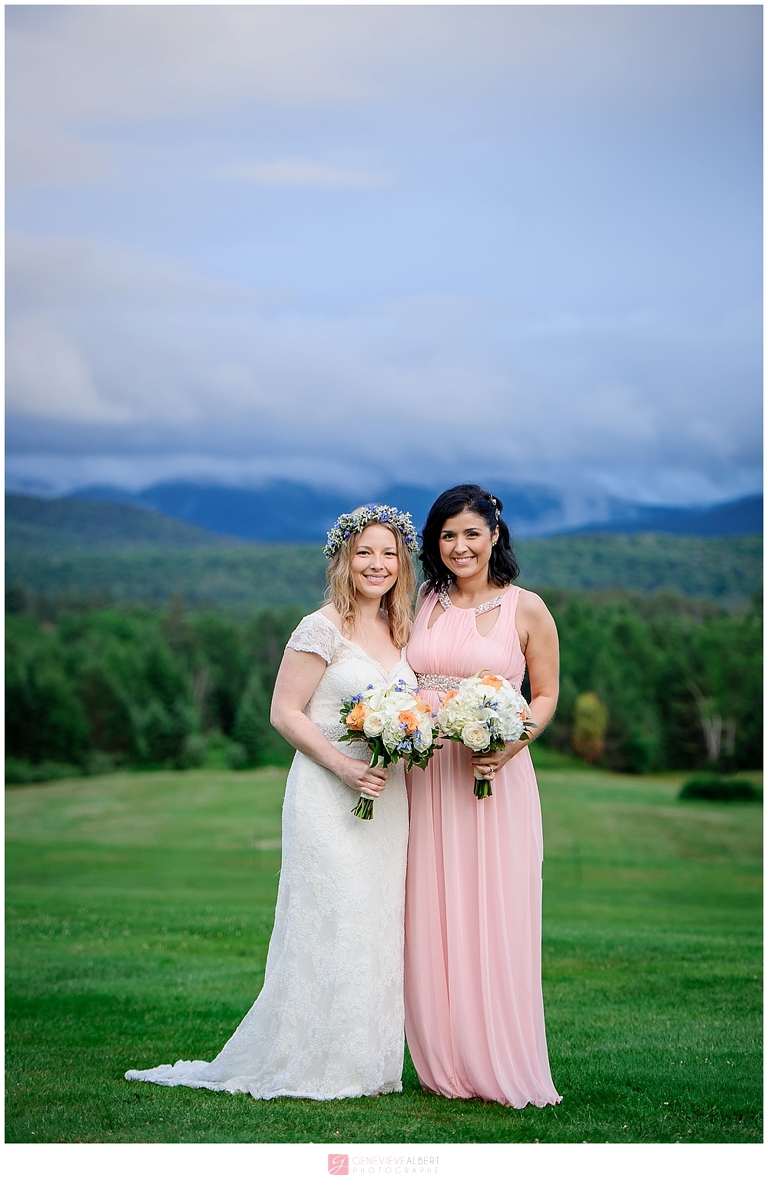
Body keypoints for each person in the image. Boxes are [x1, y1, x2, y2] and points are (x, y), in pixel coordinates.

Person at [126, 503, 418, 1100]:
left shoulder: (402, 631)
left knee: (374, 921)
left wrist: (409, 745)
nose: (377, 564)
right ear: (343, 558)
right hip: (327, 792)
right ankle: (310, 1061)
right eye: (364, 551)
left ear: (402, 562)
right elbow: (283, 712)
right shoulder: (319, 628)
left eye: (388, 553)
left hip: (388, 801)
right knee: (330, 916)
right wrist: (344, 767)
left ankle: (367, 1064)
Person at [404, 483, 561, 1108]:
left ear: (495, 536)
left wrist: (512, 743)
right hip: (427, 774)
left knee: (491, 909)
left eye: (471, 533)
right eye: (447, 535)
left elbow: (545, 695)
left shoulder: (527, 609)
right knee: (432, 910)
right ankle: (442, 1063)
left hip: (492, 775)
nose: (460, 546)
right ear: (433, 544)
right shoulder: (423, 599)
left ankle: (497, 1059)